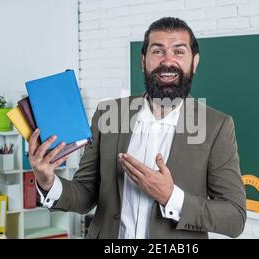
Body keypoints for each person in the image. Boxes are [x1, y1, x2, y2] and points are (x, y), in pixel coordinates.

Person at [29, 17, 246, 239]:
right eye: (157, 51)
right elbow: (86, 194)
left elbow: (235, 218)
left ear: (195, 62)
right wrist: (48, 181)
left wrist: (171, 196)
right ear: (143, 61)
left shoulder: (217, 126)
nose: (168, 60)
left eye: (179, 52)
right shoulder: (109, 113)